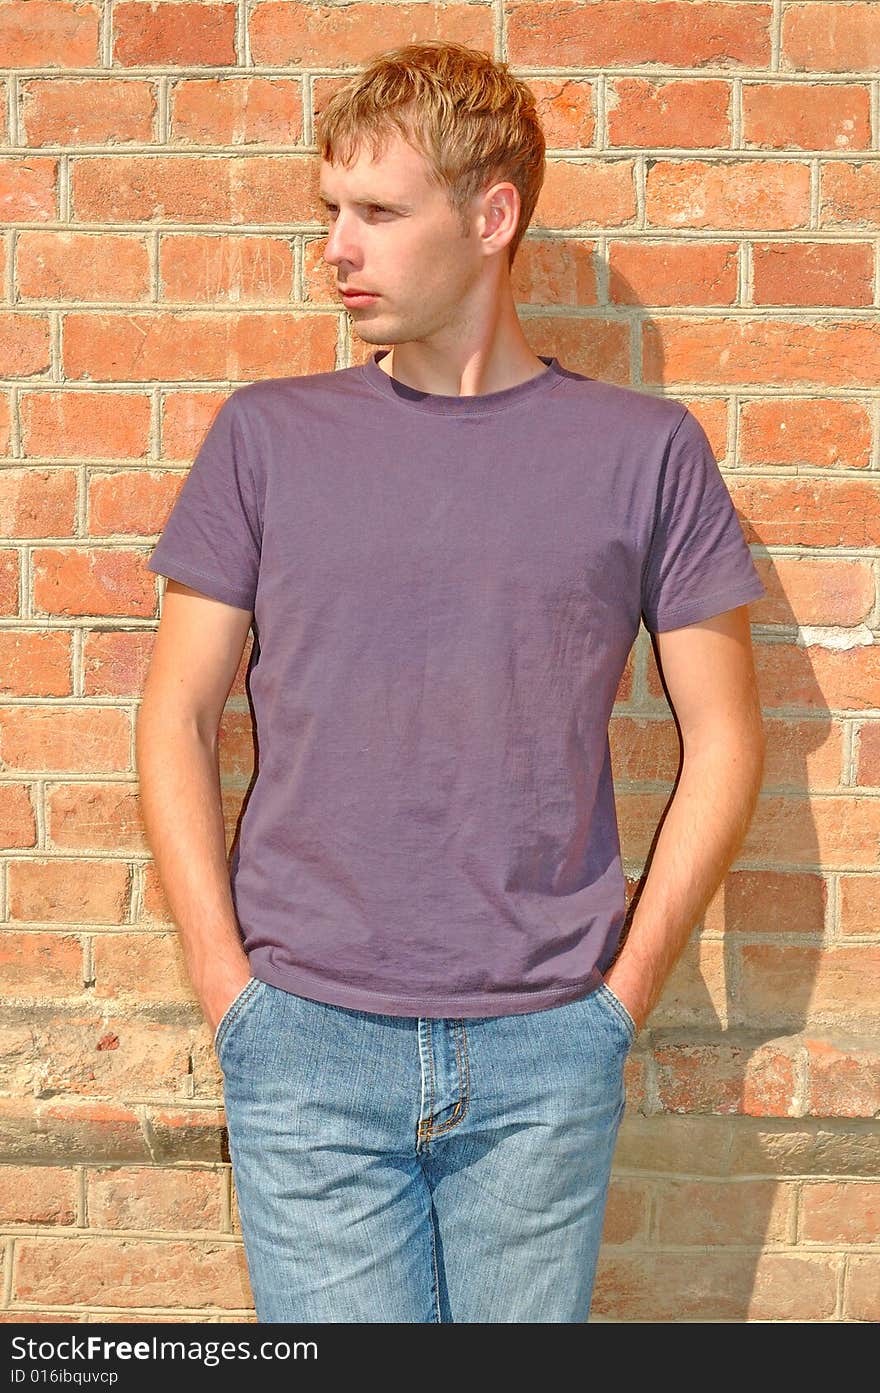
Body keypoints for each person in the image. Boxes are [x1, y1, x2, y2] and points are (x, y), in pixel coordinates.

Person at [135, 39, 766, 1323]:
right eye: (330, 212)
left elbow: (727, 741)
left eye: (377, 212)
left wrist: (617, 1005)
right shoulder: (267, 436)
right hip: (305, 1038)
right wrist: (227, 986)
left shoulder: (643, 453)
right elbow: (177, 714)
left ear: (491, 218)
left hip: (547, 1047)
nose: (337, 249)